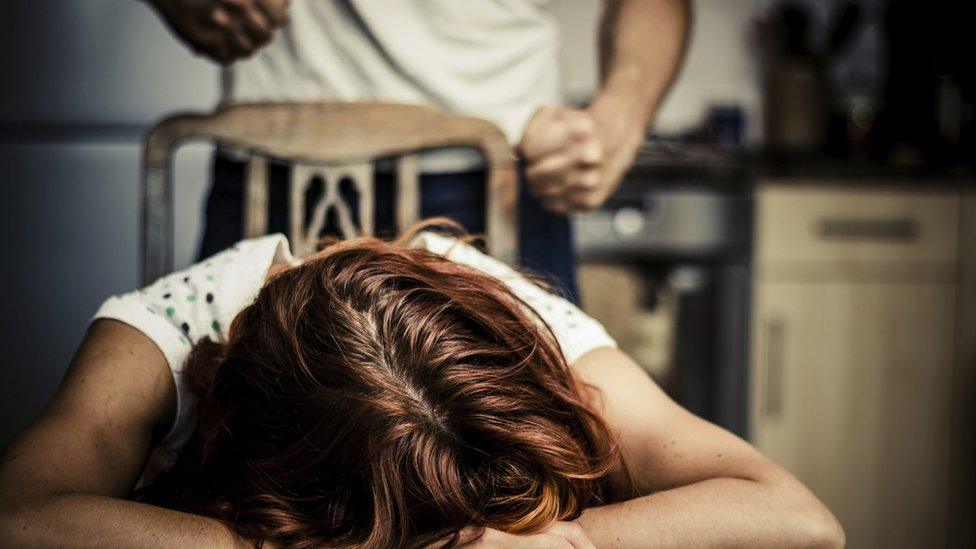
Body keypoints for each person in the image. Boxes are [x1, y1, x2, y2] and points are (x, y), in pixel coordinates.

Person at [0, 220, 844, 547]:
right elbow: (20, 516)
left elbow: (803, 522)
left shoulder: (523, 333)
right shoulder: (163, 330)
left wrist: (577, 543)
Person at [142, 0, 690, 301]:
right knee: (221, 441)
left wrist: (619, 117)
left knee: (530, 449)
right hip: (267, 175)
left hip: (494, 179)